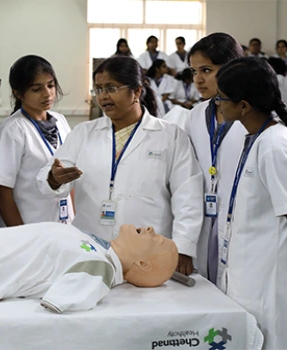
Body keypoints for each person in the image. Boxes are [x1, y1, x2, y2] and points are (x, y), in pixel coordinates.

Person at [36, 56, 203, 275]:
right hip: (90, 246)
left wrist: (183, 248)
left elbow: (187, 195)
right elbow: (47, 179)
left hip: (147, 254)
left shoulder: (170, 136)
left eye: (111, 88)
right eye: (98, 89)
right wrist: (54, 178)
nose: (103, 96)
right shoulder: (83, 134)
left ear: (136, 91)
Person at [0, 222, 179, 313]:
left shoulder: (99, 269)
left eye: (156, 238)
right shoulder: (97, 248)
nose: (149, 228)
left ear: (143, 264)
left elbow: (62, 301)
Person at [215, 56, 287, 349]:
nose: (217, 102)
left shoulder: (274, 145)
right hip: (247, 274)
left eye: (222, 97)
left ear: (243, 105)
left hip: (268, 280)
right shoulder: (255, 139)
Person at [185, 33, 246, 285]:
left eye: (206, 70)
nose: (198, 80)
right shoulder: (196, 115)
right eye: (193, 71)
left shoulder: (254, 117)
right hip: (205, 217)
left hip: (242, 221)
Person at [0, 55, 74, 226]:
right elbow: (2, 191)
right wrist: (23, 235)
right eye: (36, 89)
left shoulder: (60, 121)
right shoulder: (12, 130)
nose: (47, 94)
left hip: (64, 223)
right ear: (18, 93)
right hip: (29, 226)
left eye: (50, 85)